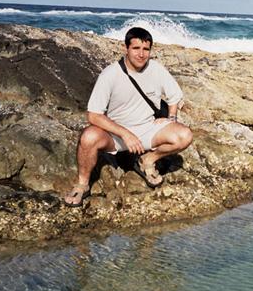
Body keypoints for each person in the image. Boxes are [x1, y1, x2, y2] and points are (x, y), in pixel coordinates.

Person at [64, 27, 193, 207]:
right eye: (136, 48)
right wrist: (125, 134)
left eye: (146, 49)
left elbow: (174, 96)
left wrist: (171, 118)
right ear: (126, 48)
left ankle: (147, 160)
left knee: (184, 135)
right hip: (117, 134)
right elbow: (93, 115)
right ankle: (82, 184)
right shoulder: (110, 74)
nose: (141, 54)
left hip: (148, 129)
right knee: (88, 136)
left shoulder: (156, 69)